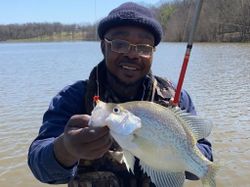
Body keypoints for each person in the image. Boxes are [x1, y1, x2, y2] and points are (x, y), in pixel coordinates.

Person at [28, 2, 213, 187]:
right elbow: (39, 164)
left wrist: (181, 156)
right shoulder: (72, 97)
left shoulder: (176, 97)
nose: (132, 54)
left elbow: (205, 151)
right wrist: (66, 149)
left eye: (144, 47)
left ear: (152, 53)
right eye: (120, 44)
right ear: (103, 46)